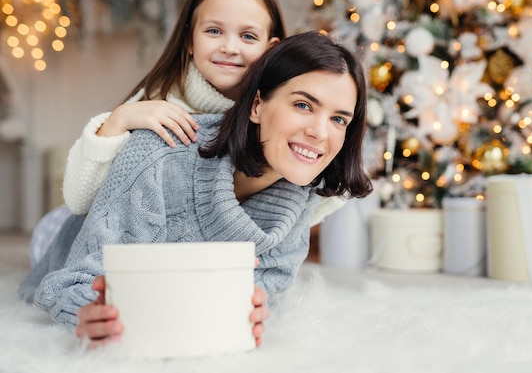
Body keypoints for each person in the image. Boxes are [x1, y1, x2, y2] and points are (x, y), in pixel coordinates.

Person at [29, 31, 372, 348]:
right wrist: (88, 313)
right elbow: (69, 283)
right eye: (303, 105)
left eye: (339, 119)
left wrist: (250, 313)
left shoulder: (301, 195)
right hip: (69, 232)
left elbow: (266, 290)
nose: (320, 133)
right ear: (256, 106)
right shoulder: (159, 154)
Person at [28, 0, 345, 269]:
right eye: (213, 31)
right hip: (89, 230)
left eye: (248, 37)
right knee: (54, 236)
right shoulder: (161, 103)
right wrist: (118, 121)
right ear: (190, 41)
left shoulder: (283, 114)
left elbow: (289, 214)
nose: (230, 47)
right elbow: (80, 201)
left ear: (270, 46)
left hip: (192, 246)